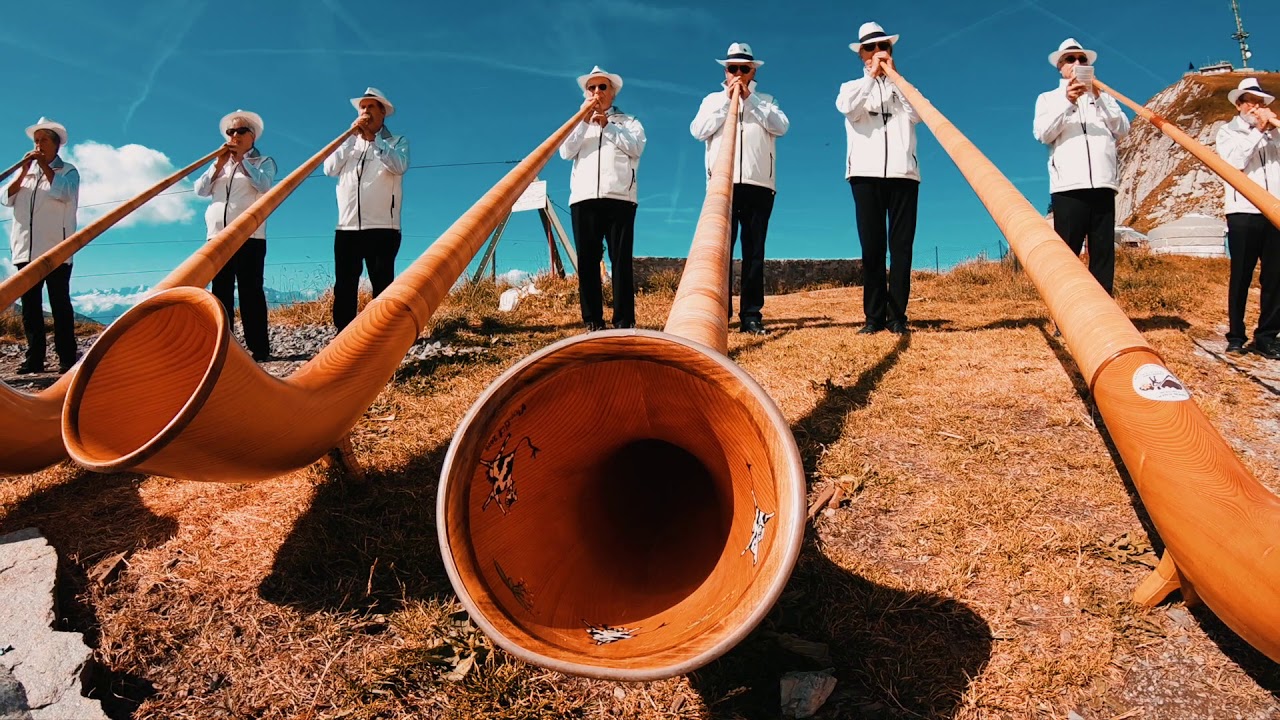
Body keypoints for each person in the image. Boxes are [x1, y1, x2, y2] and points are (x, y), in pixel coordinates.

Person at [691, 42, 790, 334]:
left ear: (752, 71)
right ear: (725, 70)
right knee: (719, 252)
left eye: (743, 68)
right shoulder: (711, 100)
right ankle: (719, 312)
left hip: (759, 185)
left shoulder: (767, 100)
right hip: (722, 184)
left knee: (754, 252)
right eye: (732, 68)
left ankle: (751, 314)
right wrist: (728, 101)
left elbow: (781, 126)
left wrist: (751, 100)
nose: (738, 73)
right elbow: (698, 131)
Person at [836, 22, 920, 335]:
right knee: (872, 248)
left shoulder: (904, 87)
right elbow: (848, 108)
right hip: (864, 175)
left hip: (904, 174)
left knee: (901, 249)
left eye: (883, 47)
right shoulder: (850, 87)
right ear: (861, 54)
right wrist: (872, 79)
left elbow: (918, 114)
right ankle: (873, 318)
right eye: (870, 48)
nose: (877, 53)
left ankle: (897, 316)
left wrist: (895, 80)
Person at [1033, 38, 1130, 296]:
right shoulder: (1048, 98)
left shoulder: (1104, 97)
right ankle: (1064, 315)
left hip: (1103, 183)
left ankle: (1103, 318)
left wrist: (1098, 97)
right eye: (1070, 59)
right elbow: (1043, 133)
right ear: (1060, 67)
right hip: (1068, 186)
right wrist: (1068, 102)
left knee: (1103, 255)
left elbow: (1122, 129)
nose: (1077, 63)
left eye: (1082, 59)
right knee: (1067, 256)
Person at [559, 66, 646, 331]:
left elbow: (636, 148)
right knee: (586, 262)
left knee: (620, 261)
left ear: (612, 93)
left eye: (602, 87)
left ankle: (623, 321)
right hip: (584, 199)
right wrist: (584, 121)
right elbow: (565, 151)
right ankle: (593, 321)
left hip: (620, 198)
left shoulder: (629, 122)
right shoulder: (577, 123)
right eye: (591, 88)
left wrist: (607, 126)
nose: (596, 92)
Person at [323, 87, 410, 331]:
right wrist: (350, 138)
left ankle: (382, 336)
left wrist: (375, 141)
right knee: (344, 286)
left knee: (382, 285)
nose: (365, 111)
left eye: (371, 107)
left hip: (383, 228)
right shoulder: (348, 143)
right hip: (347, 227)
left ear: (383, 113)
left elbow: (399, 166)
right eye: (363, 107)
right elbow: (329, 169)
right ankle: (344, 338)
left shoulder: (396, 142)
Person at [194, 110, 277, 361]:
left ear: (252, 136)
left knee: (251, 292)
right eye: (230, 132)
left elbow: (264, 186)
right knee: (220, 293)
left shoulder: (264, 162)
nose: (234, 136)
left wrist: (242, 162)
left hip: (249, 236)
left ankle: (259, 348)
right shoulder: (219, 164)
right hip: (217, 237)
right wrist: (218, 165)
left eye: (240, 131)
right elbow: (200, 190)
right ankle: (224, 347)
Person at [3, 117, 80, 374]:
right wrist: (24, 170)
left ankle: (67, 357)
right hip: (25, 250)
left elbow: (63, 193)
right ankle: (34, 358)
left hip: (56, 250)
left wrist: (44, 167)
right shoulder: (25, 173)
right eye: (36, 141)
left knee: (60, 305)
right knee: (31, 308)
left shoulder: (67, 171)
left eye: (43, 140)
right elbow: (6, 198)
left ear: (56, 145)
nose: (38, 145)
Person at [1215, 77, 1279, 359]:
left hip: (1274, 210)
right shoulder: (1227, 131)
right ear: (1239, 105)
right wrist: (1257, 132)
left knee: (1276, 277)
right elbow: (1235, 163)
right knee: (1241, 274)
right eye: (1250, 101)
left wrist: (1273, 128)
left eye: (1260, 102)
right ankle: (1236, 336)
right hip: (1243, 211)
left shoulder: (1273, 133)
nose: (1256, 107)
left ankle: (1266, 336)